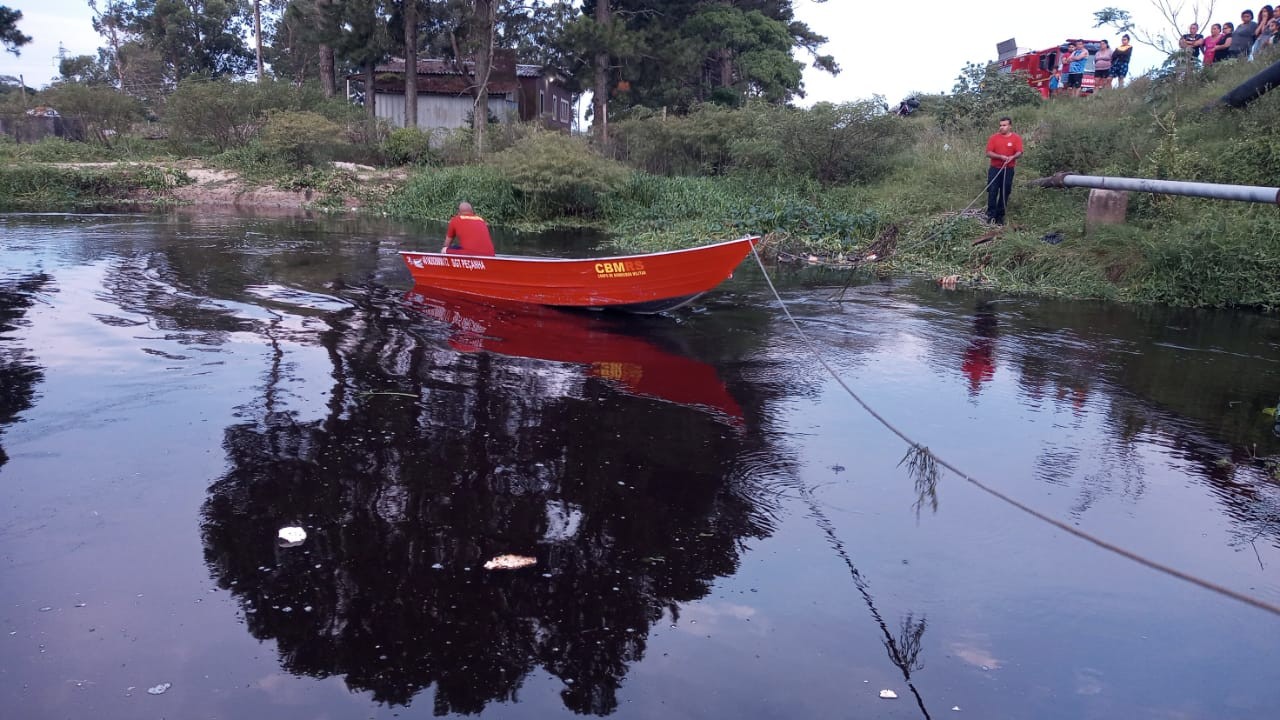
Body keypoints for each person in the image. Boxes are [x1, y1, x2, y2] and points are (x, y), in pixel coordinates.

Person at [984, 116, 1023, 226]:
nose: (1002, 127)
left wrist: (1012, 157)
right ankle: (991, 215)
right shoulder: (994, 138)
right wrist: (1000, 157)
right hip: (995, 169)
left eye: (1004, 125)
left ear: (1010, 126)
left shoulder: (1016, 138)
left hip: (1008, 170)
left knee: (1005, 191)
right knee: (992, 191)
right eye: (1000, 125)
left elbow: (1019, 152)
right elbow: (988, 153)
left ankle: (1000, 216)